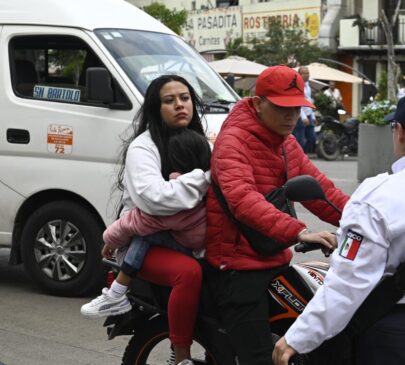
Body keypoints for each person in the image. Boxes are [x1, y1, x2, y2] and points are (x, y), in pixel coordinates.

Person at [273, 85, 405, 365]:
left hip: (398, 337)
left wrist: (298, 337)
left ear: (400, 131)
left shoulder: (379, 194)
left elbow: (348, 284)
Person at [205, 65, 350, 365]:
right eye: (283, 108)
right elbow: (243, 200)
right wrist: (298, 231)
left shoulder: (287, 143)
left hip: (273, 258)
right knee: (260, 359)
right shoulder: (233, 142)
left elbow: (321, 191)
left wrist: (366, 219)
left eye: (297, 108)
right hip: (237, 266)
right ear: (258, 103)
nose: (292, 116)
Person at [80, 74, 210, 365]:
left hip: (186, 237)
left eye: (185, 98)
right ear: (155, 108)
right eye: (169, 100)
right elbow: (155, 200)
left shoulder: (199, 141)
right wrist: (204, 180)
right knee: (188, 273)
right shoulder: (143, 147)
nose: (180, 105)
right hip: (145, 241)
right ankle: (181, 357)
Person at [81, 128, 210, 318]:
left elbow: (140, 220)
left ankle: (117, 292)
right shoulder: (209, 181)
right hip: (204, 246)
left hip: (191, 247)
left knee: (144, 233)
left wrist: (110, 240)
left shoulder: (179, 191)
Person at [292, 66, 316, 152]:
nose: (308, 75)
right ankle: (298, 156)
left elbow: (308, 100)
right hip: (300, 116)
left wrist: (313, 116)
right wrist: (303, 117)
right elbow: (297, 102)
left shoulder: (307, 85)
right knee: (299, 140)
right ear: (299, 74)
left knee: (312, 138)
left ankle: (301, 154)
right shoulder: (296, 85)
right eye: (305, 73)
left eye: (308, 73)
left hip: (309, 114)